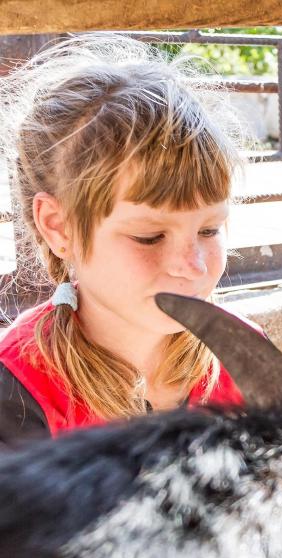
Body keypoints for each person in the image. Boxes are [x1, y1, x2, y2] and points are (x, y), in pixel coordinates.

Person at [0, 35, 249, 447]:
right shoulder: (16, 395)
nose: (195, 265)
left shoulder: (245, 358)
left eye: (208, 230)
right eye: (149, 237)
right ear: (58, 226)